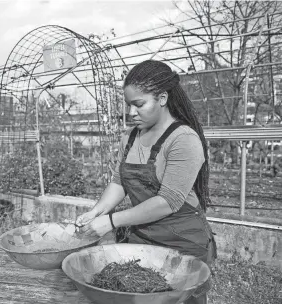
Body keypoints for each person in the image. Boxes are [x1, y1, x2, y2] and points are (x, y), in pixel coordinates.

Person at [76, 60, 217, 304]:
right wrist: (97, 211)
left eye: (139, 104)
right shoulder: (130, 137)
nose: (131, 113)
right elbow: (120, 181)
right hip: (143, 238)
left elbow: (167, 202)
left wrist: (110, 221)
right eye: (129, 105)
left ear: (162, 98)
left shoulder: (183, 139)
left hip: (181, 243)